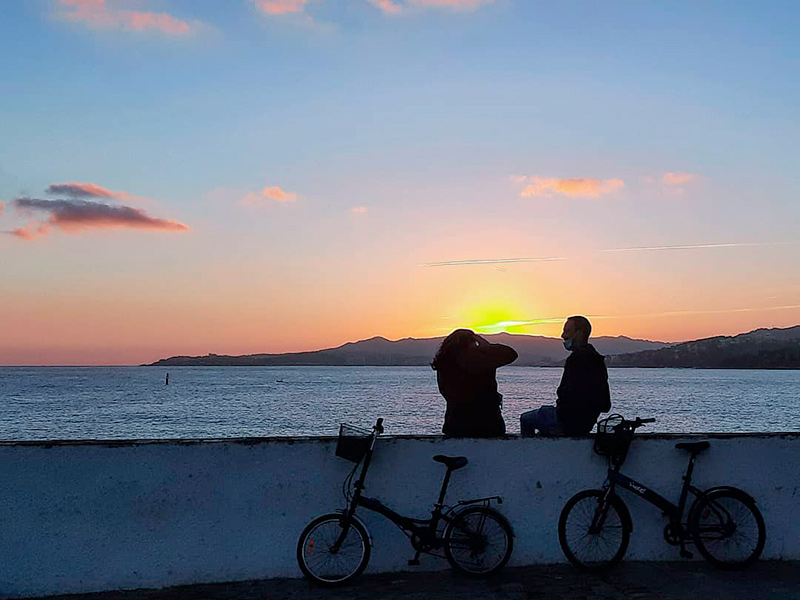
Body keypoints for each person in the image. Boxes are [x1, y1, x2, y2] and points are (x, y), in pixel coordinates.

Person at [520, 316, 611, 436]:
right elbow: (605, 404)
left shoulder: (576, 359)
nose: (562, 335)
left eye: (567, 331)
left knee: (525, 419)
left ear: (579, 334)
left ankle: (529, 453)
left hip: (567, 421)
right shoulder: (598, 359)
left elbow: (566, 393)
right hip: (586, 424)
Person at [432, 329, 518, 437]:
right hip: (488, 424)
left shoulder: (445, 363)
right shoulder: (480, 359)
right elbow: (511, 354)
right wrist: (486, 346)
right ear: (472, 342)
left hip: (455, 424)